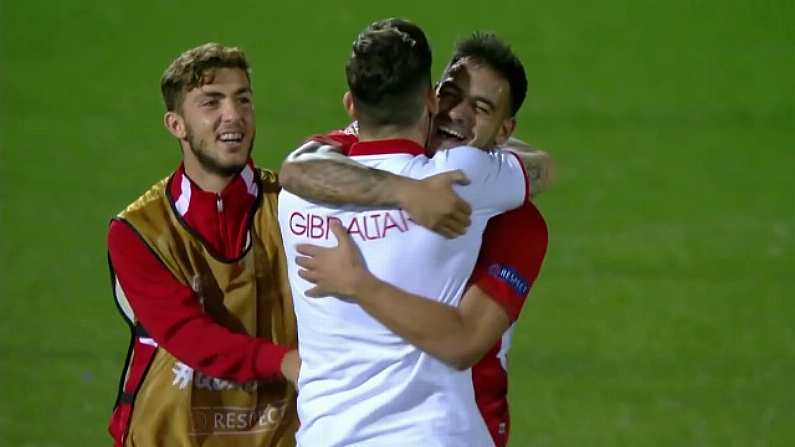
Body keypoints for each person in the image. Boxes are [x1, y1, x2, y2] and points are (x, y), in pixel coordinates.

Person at [280, 32, 548, 447]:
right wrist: (405, 193)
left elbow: (464, 340)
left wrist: (359, 284)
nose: (456, 114)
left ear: (504, 131)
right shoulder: (457, 175)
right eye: (450, 94)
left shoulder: (303, 192)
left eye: (480, 108)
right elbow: (539, 169)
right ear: (429, 98)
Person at [106, 43, 302, 446]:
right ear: (176, 125)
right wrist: (284, 361)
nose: (233, 114)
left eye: (242, 99)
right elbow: (190, 335)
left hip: (278, 434)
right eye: (211, 102)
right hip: (171, 434)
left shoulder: (293, 207)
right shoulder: (138, 231)